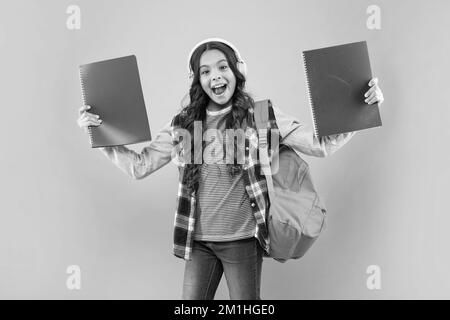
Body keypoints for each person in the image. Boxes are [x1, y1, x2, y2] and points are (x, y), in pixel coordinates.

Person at [76, 38, 384, 300]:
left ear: (237, 71)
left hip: (243, 242)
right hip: (198, 243)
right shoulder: (182, 124)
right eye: (205, 71)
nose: (216, 76)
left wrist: (360, 108)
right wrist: (101, 135)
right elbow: (140, 166)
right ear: (198, 80)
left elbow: (320, 145)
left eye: (223, 67)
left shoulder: (262, 116)